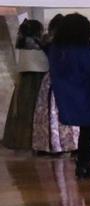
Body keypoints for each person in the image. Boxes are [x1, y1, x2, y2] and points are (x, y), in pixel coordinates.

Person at [45, 14, 90, 179]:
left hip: (67, 93)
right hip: (85, 92)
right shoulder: (82, 49)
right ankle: (83, 165)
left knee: (87, 128)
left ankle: (83, 165)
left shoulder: (56, 49)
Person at [3, 17, 48, 152]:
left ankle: (21, 141)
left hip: (25, 79)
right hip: (37, 79)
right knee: (35, 110)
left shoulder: (21, 42)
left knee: (23, 112)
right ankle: (35, 141)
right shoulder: (37, 43)